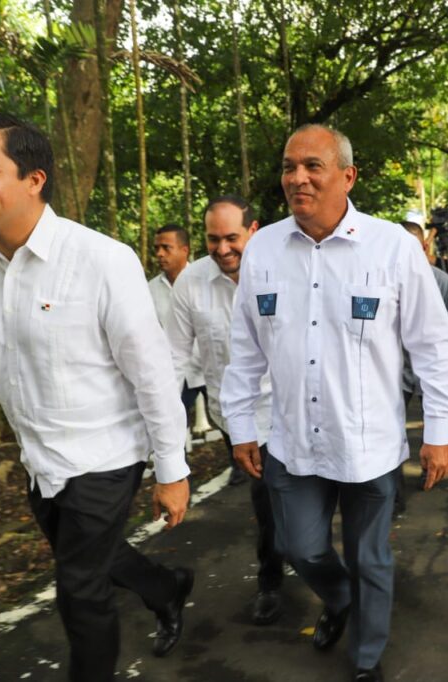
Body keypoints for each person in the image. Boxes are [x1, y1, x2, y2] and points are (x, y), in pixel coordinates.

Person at [0, 112, 194, 681]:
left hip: (106, 453)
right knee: (90, 558)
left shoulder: (101, 260)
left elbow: (150, 371)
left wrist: (171, 469)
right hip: (41, 461)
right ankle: (167, 588)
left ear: (34, 179)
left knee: (80, 589)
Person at [220, 124, 448, 682]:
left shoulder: (392, 249)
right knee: (299, 547)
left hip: (369, 442)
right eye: (288, 167)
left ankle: (367, 658)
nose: (297, 177)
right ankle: (340, 599)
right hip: (292, 440)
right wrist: (240, 424)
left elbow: (431, 345)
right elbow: (245, 349)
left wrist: (439, 430)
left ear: (347, 176)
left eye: (312, 166)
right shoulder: (263, 249)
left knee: (371, 557)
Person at [166, 195, 286, 623]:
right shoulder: (191, 283)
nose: (222, 250)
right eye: (213, 239)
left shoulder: (285, 268)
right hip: (237, 417)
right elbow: (174, 360)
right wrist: (162, 442)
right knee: (268, 500)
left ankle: (308, 564)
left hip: (295, 408)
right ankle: (272, 580)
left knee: (295, 500)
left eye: (232, 238)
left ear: (253, 231)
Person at [397, 221, 448, 512]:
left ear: (423, 247)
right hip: (397, 374)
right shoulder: (381, 279)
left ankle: (431, 471)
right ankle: (393, 496)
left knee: (432, 426)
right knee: (392, 434)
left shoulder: (443, 283)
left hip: (430, 375)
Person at [148, 225, 209, 436]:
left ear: (184, 250)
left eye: (166, 247)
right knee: (170, 431)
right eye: (156, 248)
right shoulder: (150, 290)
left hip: (214, 370)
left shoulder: (207, 281)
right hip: (177, 374)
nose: (160, 254)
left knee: (232, 429)